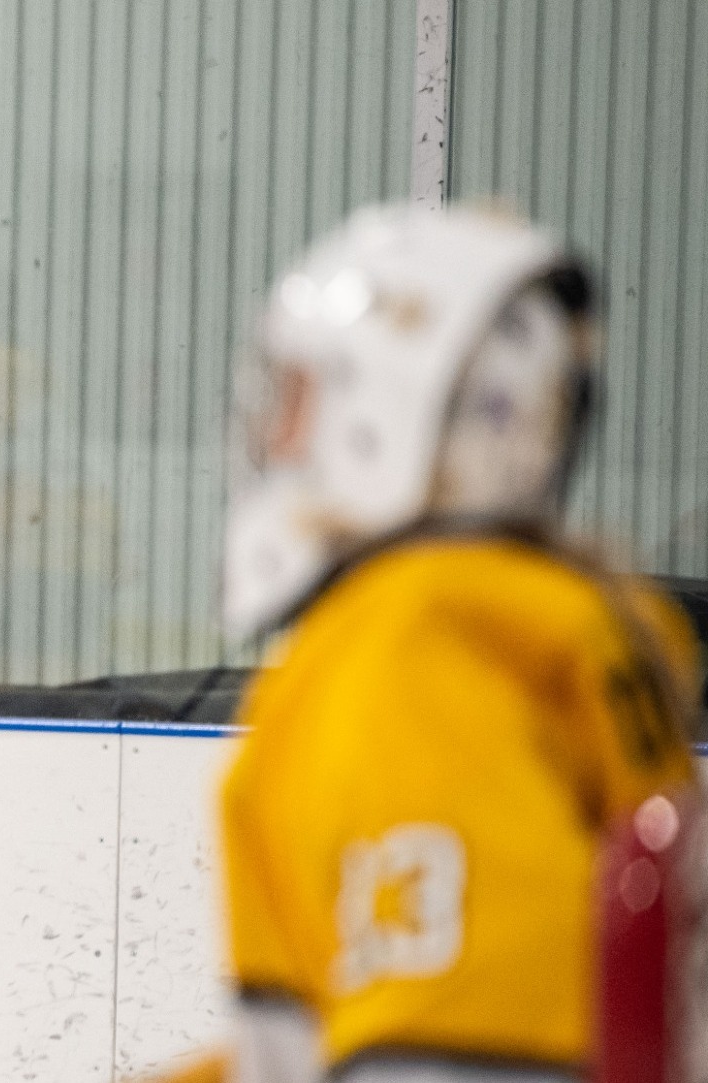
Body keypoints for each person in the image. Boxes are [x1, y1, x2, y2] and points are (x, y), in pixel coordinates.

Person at [159, 205, 703, 1083]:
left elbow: (457, 1054)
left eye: (300, 395)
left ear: (391, 416)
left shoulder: (422, 655)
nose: (273, 434)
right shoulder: (528, 639)